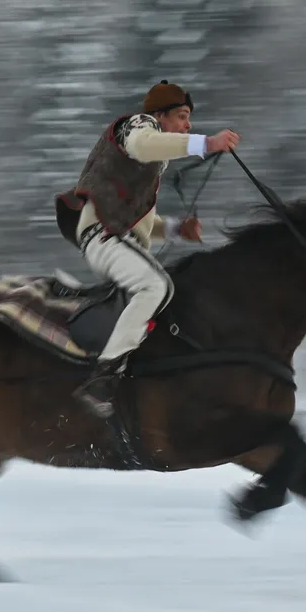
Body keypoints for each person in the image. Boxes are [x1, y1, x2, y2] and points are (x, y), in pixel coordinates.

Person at [54, 80, 240, 419]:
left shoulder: (146, 167)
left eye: (189, 119)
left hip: (110, 237)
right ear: (159, 115)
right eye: (182, 117)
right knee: (156, 286)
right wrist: (207, 143)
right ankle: (103, 379)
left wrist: (175, 229)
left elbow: (139, 224)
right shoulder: (138, 126)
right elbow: (145, 145)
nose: (188, 125)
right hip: (104, 239)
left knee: (163, 293)